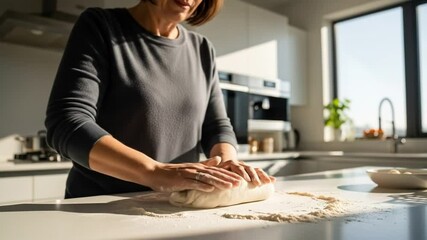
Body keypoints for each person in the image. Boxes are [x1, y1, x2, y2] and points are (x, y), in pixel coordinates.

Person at [45, 0, 275, 199]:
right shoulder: (101, 26)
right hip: (101, 206)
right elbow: (67, 122)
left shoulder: (202, 49)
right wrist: (154, 172)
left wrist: (226, 164)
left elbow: (216, 126)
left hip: (174, 210)